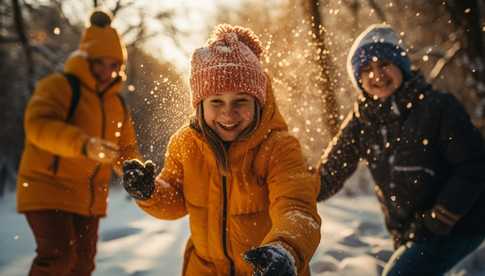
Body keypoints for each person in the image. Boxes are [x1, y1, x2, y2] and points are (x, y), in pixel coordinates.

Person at [121, 24, 321, 276]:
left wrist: (285, 249)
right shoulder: (186, 143)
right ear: (200, 105)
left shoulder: (279, 148)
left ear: (259, 103)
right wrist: (149, 192)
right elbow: (175, 199)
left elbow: (297, 208)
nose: (228, 112)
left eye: (240, 101)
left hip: (267, 270)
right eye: (216, 101)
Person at [316, 24, 485, 275]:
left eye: (384, 64)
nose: (377, 75)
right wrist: (292, 188)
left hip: (461, 225)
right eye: (366, 70)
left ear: (402, 66)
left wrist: (438, 219)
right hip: (412, 233)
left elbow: (474, 165)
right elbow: (329, 174)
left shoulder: (437, 107)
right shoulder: (362, 121)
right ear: (358, 79)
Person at [16, 10, 141, 276]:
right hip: (47, 187)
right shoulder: (60, 86)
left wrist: (134, 170)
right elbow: (38, 126)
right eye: (100, 63)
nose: (107, 71)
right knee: (58, 258)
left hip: (89, 198)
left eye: (114, 64)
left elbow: (126, 148)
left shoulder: (117, 103)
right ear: (86, 59)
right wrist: (84, 144)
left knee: (83, 266)